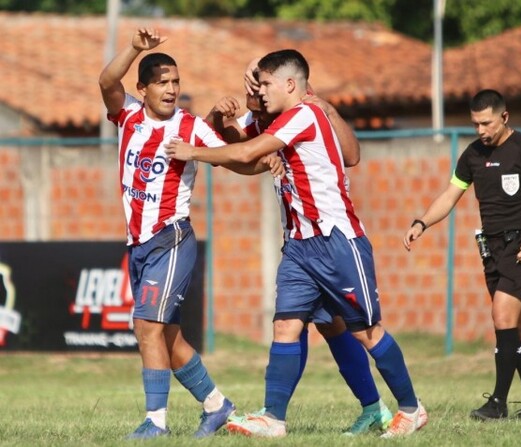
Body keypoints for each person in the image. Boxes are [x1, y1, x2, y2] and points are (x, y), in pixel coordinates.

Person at [165, 49, 427, 438]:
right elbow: (243, 150)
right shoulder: (273, 120)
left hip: (337, 241)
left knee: (365, 331)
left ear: (289, 84)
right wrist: (221, 118)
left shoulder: (305, 114)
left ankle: (411, 408)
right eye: (255, 83)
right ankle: (273, 417)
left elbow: (250, 152)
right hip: (300, 246)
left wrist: (194, 153)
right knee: (286, 325)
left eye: (263, 83)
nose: (258, 91)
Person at [98, 27, 281, 439]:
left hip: (172, 238)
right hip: (139, 244)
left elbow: (233, 159)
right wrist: (133, 48)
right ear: (142, 89)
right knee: (168, 336)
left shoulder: (190, 127)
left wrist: (263, 162)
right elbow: (107, 81)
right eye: (162, 82)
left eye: (176, 82)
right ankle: (217, 406)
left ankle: (155, 423)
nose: (171, 89)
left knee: (146, 326)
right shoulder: (127, 114)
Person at [403, 89, 521, 421]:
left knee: (502, 314)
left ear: (504, 118)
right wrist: (422, 222)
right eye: (476, 124)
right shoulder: (473, 154)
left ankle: (498, 403)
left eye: (486, 123)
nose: (481, 130)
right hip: (492, 249)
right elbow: (450, 196)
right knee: (519, 327)